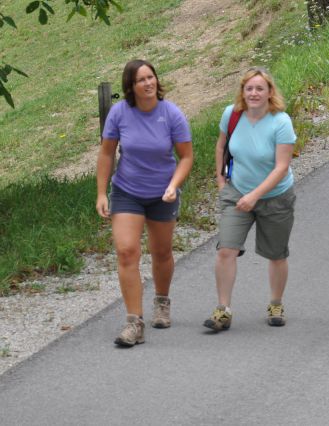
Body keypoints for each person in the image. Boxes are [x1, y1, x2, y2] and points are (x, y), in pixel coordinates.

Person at [96, 59, 193, 347]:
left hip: (163, 192)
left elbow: (186, 157)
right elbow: (106, 154)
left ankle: (162, 301)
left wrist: (174, 186)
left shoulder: (171, 114)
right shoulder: (119, 113)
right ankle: (133, 322)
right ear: (131, 86)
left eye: (151, 77)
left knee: (161, 252)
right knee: (127, 252)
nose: (148, 83)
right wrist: (102, 193)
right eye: (141, 80)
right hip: (127, 191)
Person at [203, 67, 296, 332]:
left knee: (276, 254)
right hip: (237, 192)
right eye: (249, 88)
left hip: (275, 196)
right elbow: (221, 146)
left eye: (260, 89)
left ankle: (276, 303)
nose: (254, 93)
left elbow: (281, 167)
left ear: (269, 92)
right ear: (243, 91)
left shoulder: (281, 121)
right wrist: (221, 181)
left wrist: (255, 196)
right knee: (225, 250)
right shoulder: (231, 115)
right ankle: (223, 310)